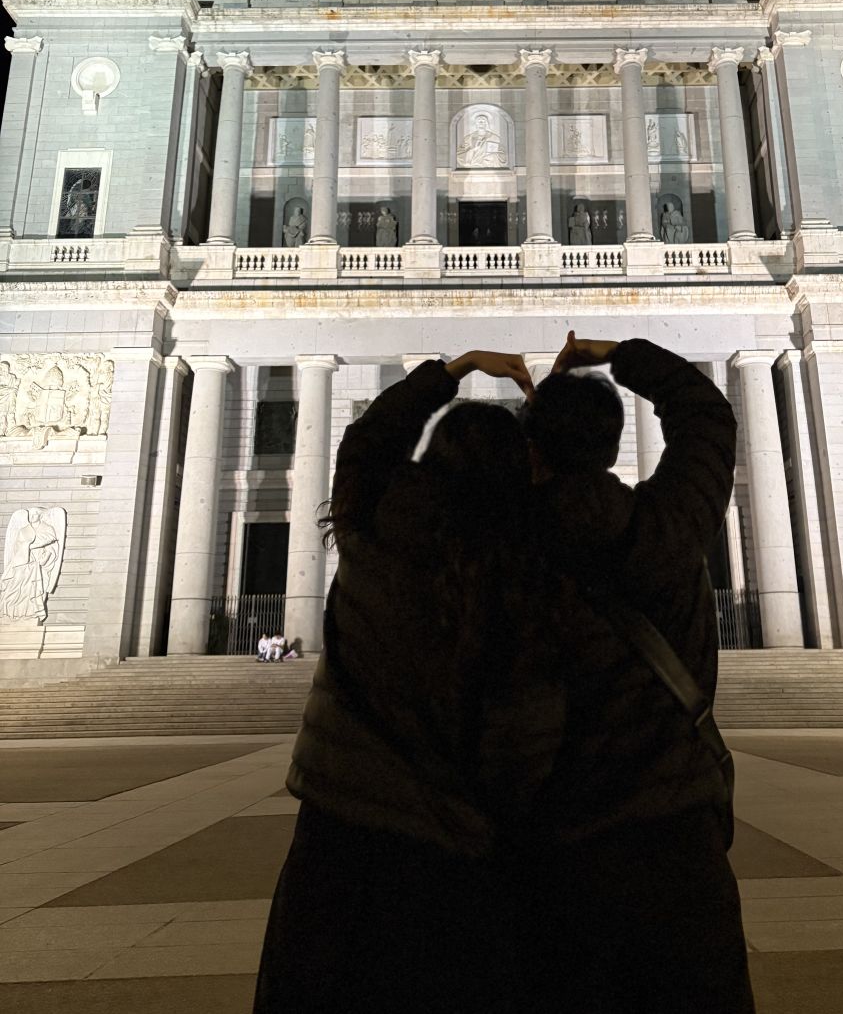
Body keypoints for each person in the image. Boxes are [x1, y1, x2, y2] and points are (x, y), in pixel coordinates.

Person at [255, 349, 563, 1014]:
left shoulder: (371, 541)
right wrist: (552, 414)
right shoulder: (530, 579)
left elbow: (367, 442)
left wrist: (454, 368)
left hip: (343, 842)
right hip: (467, 854)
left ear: (432, 460)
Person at [517, 330, 754, 1013]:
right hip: (679, 843)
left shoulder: (504, 555)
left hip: (557, 853)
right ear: (614, 444)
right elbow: (706, 413)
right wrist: (618, 352)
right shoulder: (670, 528)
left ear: (532, 451)